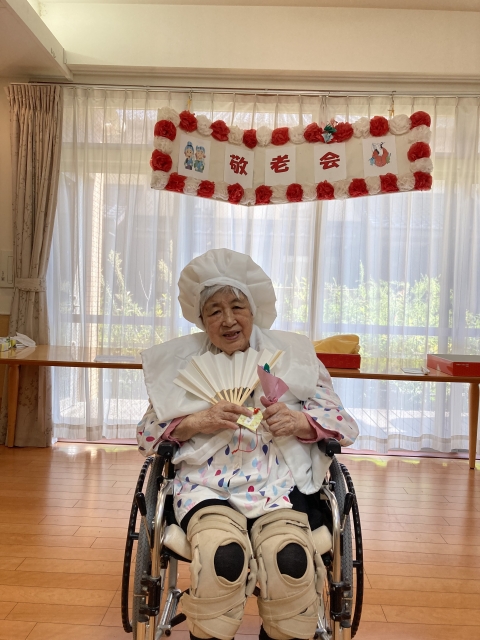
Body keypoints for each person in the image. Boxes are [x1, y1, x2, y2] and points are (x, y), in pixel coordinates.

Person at [138, 249, 359, 640]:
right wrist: (197, 421)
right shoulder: (181, 363)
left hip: (281, 486)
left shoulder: (294, 357)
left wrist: (302, 423)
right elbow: (145, 434)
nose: (228, 320)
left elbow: (343, 425)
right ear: (201, 319)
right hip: (207, 487)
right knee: (223, 558)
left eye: (237, 307)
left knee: (290, 561)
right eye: (214, 311)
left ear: (254, 310)